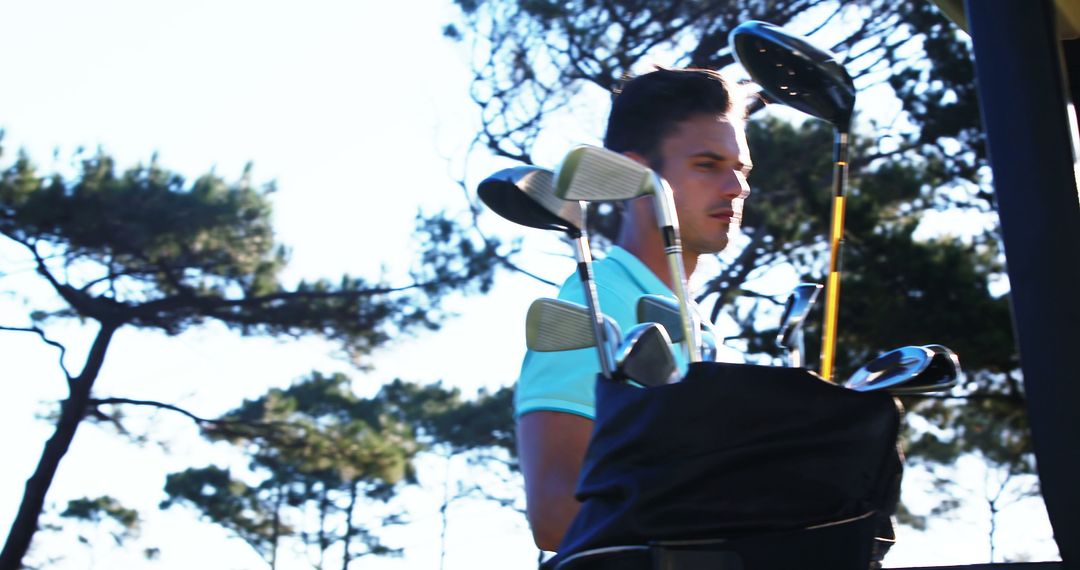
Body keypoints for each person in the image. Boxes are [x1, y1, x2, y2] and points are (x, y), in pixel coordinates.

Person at [513, 67, 753, 552]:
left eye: (741, 169)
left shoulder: (706, 332)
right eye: (708, 165)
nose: (737, 187)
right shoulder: (598, 301)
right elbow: (556, 516)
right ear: (631, 177)